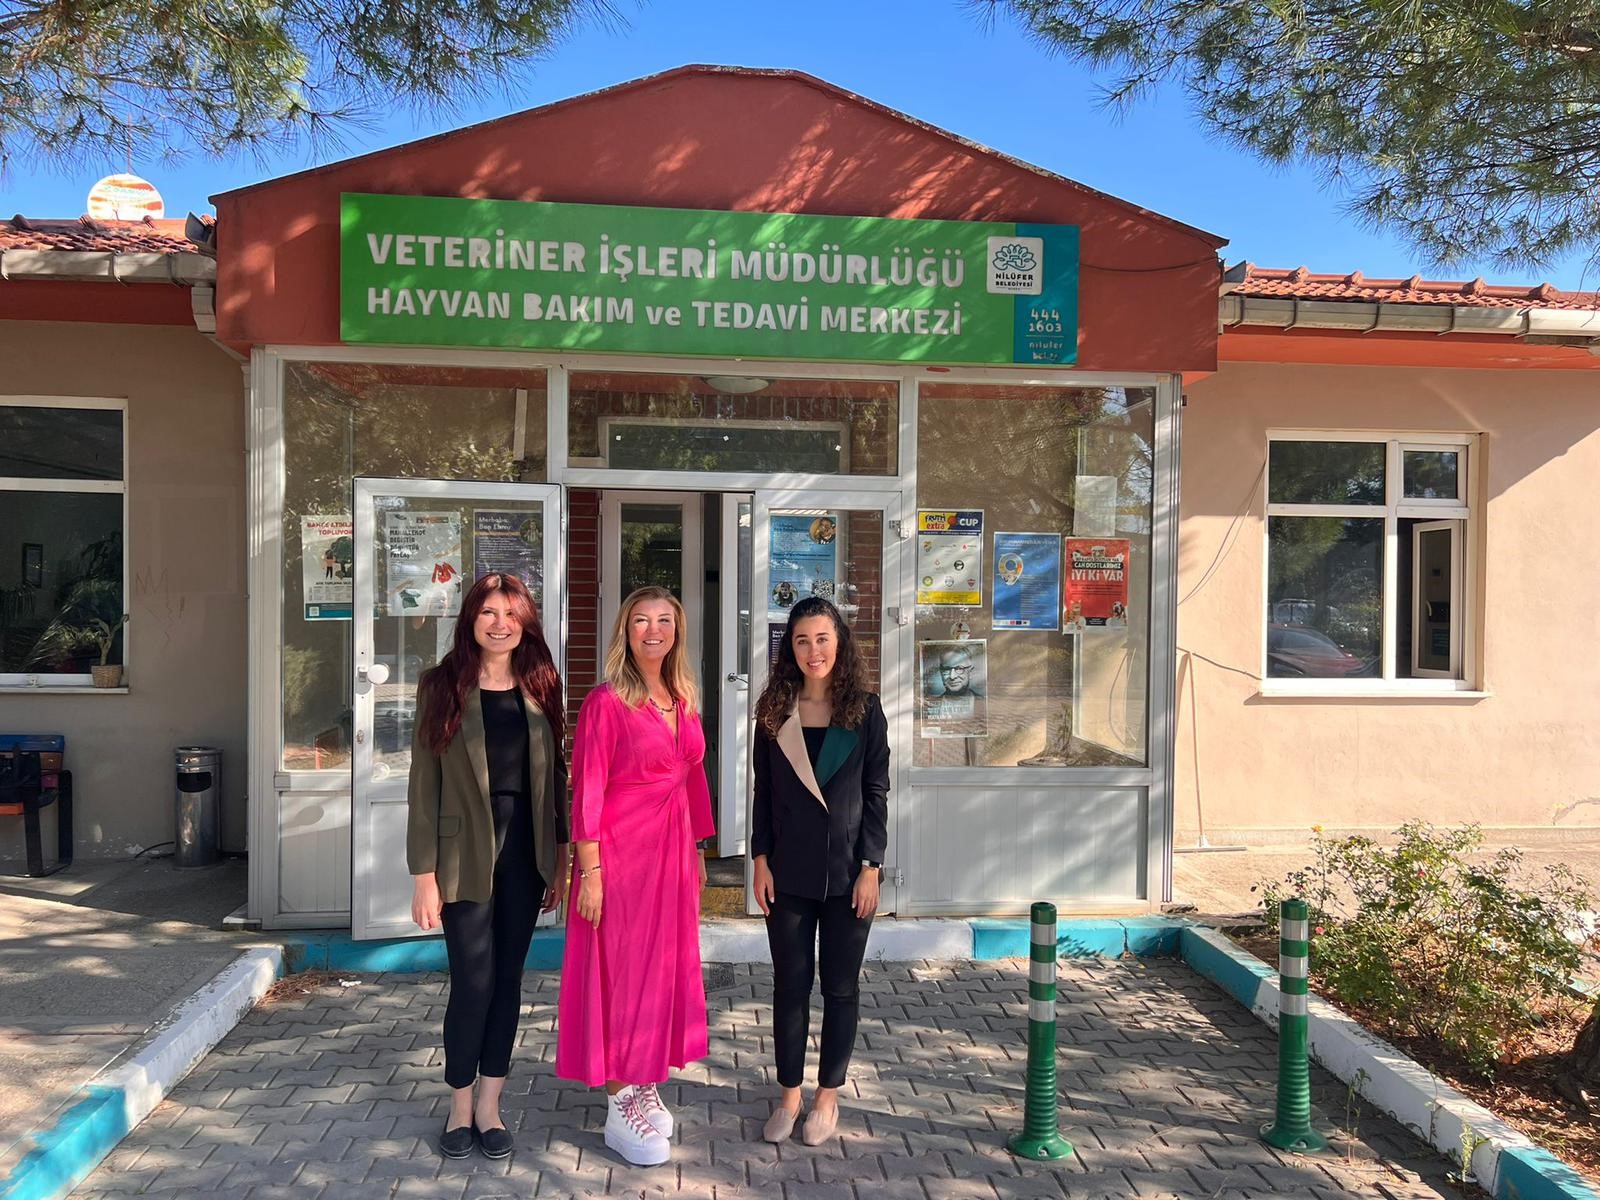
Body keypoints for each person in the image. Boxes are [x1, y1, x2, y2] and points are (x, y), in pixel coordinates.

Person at [406, 573, 569, 1161]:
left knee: (507, 982)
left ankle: (491, 1107)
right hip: (462, 855)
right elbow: (423, 784)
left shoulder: (542, 683)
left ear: (525, 622)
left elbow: (557, 780)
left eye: (511, 614)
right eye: (488, 613)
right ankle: (458, 1106)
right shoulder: (442, 685)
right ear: (470, 618)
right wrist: (423, 876)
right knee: (472, 983)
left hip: (526, 852)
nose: (500, 624)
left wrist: (560, 859)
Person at [556, 585, 715, 1166]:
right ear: (626, 630)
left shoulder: (682, 695)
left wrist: (699, 849)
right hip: (621, 853)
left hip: (672, 852)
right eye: (642, 620)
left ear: (677, 631)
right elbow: (588, 790)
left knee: (661, 968)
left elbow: (694, 779)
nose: (654, 630)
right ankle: (619, 1096)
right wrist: (590, 871)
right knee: (622, 971)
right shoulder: (606, 701)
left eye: (664, 620)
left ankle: (643, 1074)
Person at [750, 596, 890, 1146]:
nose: (814, 651)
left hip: (848, 873)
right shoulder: (773, 710)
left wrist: (871, 866)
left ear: (840, 643)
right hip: (787, 873)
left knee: (840, 988)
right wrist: (759, 859)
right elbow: (763, 791)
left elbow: (876, 793)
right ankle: (789, 1095)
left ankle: (827, 1098)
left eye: (823, 639)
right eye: (802, 640)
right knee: (789, 986)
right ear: (790, 648)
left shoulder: (865, 710)